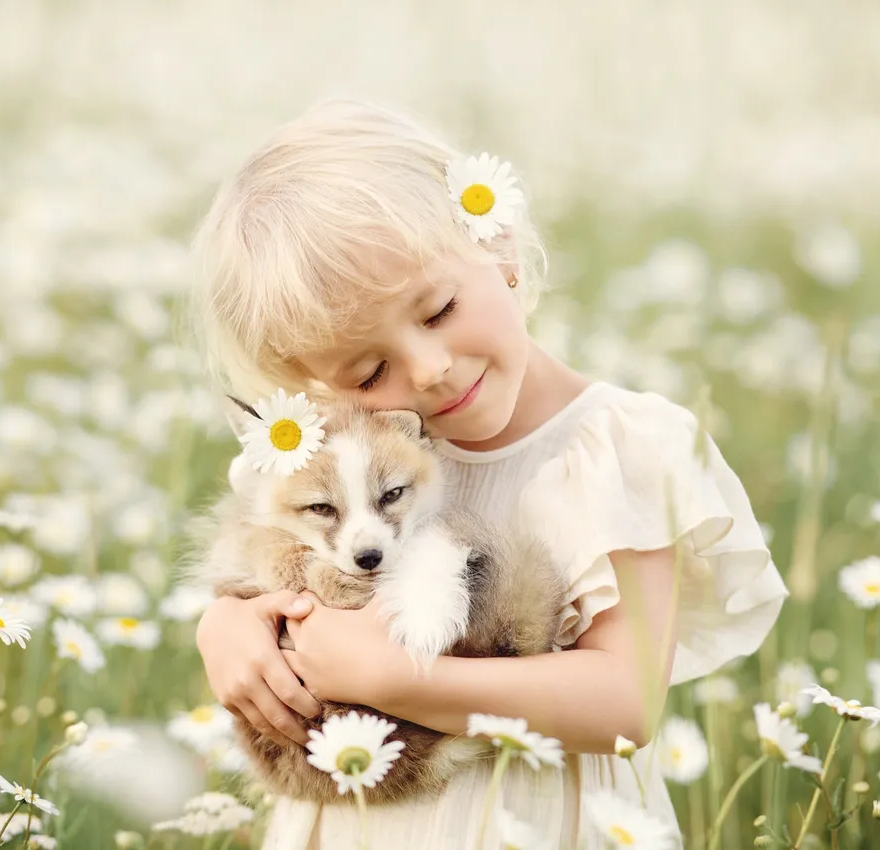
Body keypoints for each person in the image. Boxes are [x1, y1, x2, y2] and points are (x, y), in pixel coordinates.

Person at [187, 98, 788, 849]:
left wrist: (399, 680)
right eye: (369, 373)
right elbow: (260, 579)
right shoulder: (336, 466)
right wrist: (225, 627)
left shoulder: (619, 451)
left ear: (497, 246)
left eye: (438, 310)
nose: (429, 370)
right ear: (311, 389)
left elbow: (625, 702)